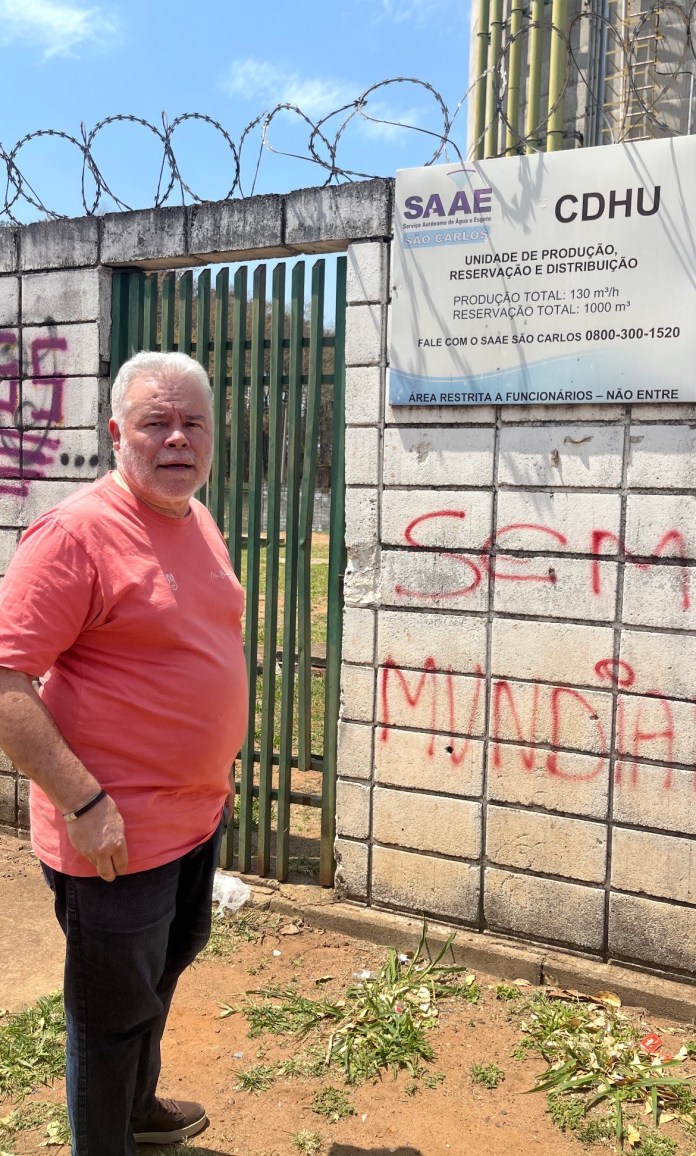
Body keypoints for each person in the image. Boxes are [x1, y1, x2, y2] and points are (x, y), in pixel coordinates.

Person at [0, 351, 248, 1155]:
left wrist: (214, 768)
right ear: (116, 434)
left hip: (192, 820)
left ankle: (137, 1110)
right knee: (107, 1019)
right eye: (156, 423)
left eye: (193, 423)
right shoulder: (75, 534)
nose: (178, 439)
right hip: (112, 835)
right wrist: (83, 802)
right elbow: (5, 680)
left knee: (163, 971)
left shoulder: (196, 518)